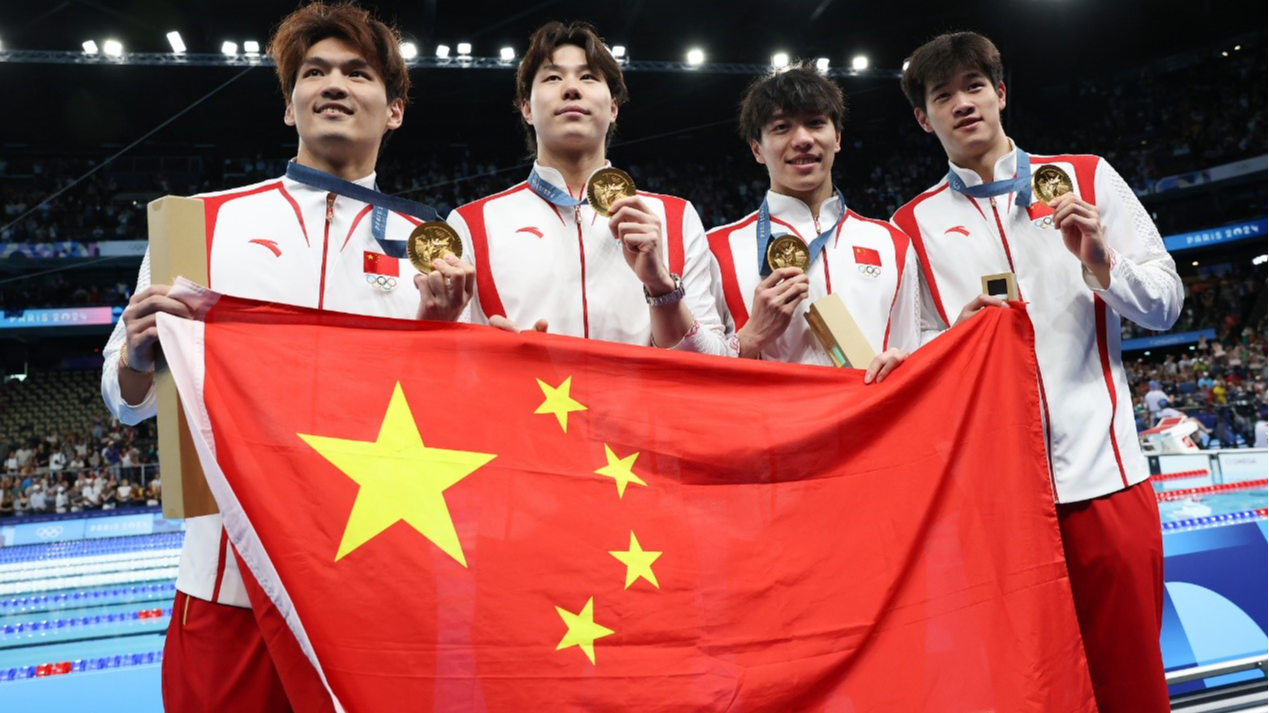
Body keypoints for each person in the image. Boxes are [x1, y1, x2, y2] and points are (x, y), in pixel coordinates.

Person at [100, 2, 453, 710]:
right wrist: (138, 351)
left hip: (378, 584)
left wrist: (442, 336)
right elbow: (126, 397)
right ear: (289, 107)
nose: (333, 84)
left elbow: (455, 419)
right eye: (314, 71)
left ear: (394, 111)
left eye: (357, 72)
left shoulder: (436, 245)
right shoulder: (200, 223)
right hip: (227, 586)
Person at [891, 32, 1183, 712]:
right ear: (922, 119)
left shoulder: (1086, 176)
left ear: (1000, 92)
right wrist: (955, 342)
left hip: (1105, 482)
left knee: (1132, 683)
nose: (961, 102)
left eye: (972, 85)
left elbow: (1165, 305)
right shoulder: (911, 224)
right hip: (996, 507)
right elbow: (911, 357)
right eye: (941, 95)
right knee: (1028, 691)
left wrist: (1103, 264)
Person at [445, 21, 727, 354]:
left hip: (642, 408)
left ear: (613, 108)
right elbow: (450, 365)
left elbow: (717, 360)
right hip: (522, 406)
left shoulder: (676, 218)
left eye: (588, 76)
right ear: (526, 109)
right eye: (552, 77)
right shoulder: (471, 224)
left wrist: (661, 287)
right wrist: (489, 356)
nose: (571, 88)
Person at [707, 63, 918, 378]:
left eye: (815, 123)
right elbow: (695, 372)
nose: (802, 139)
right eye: (781, 127)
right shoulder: (717, 248)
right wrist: (748, 338)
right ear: (757, 150)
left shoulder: (893, 243)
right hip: (770, 425)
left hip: (875, 424)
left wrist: (905, 363)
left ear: (837, 138)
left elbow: (912, 350)